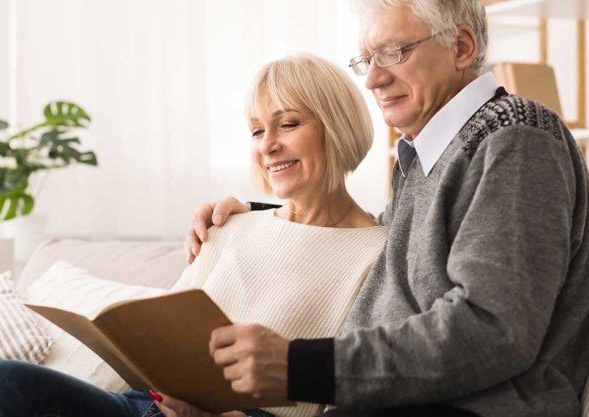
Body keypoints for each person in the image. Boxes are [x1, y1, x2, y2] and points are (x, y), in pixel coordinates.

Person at [184, 1, 589, 416]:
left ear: (462, 47)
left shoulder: (516, 137)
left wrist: (297, 366)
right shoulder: (428, 156)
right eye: (367, 59)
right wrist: (258, 215)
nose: (374, 79)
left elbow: (494, 328)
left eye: (394, 52)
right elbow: (382, 241)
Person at [0, 55, 388, 417]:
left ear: (337, 127)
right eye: (257, 131)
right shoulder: (231, 225)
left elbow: (354, 392)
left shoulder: (379, 254)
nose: (267, 146)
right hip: (146, 406)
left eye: (288, 124)